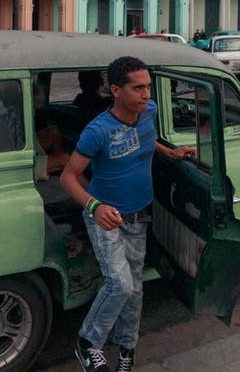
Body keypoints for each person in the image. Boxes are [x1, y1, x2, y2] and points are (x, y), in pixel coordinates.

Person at [60, 56, 196, 372]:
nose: (147, 95)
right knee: (119, 284)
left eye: (149, 87)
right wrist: (95, 206)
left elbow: (146, 140)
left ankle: (127, 350)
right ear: (117, 90)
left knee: (134, 291)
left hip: (139, 216)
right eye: (139, 88)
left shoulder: (148, 112)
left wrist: (169, 151)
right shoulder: (98, 130)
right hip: (104, 217)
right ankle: (87, 343)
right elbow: (67, 177)